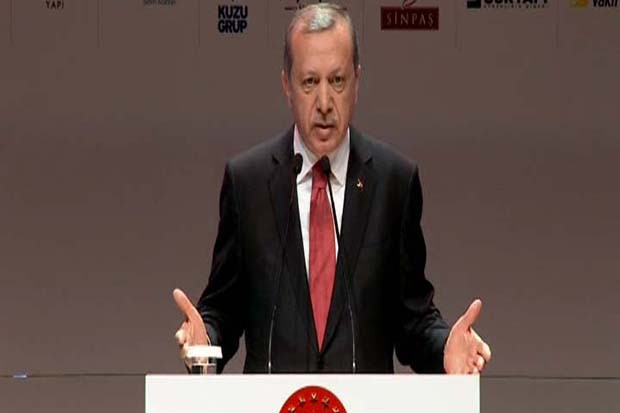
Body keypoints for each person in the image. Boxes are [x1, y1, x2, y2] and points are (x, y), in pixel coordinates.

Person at [174, 2, 491, 374]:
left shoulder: (393, 182)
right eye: (309, 82)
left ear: (356, 83)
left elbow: (413, 320)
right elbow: (224, 310)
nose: (324, 103)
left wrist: (444, 350)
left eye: (337, 81)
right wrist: (204, 342)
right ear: (287, 86)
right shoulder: (249, 183)